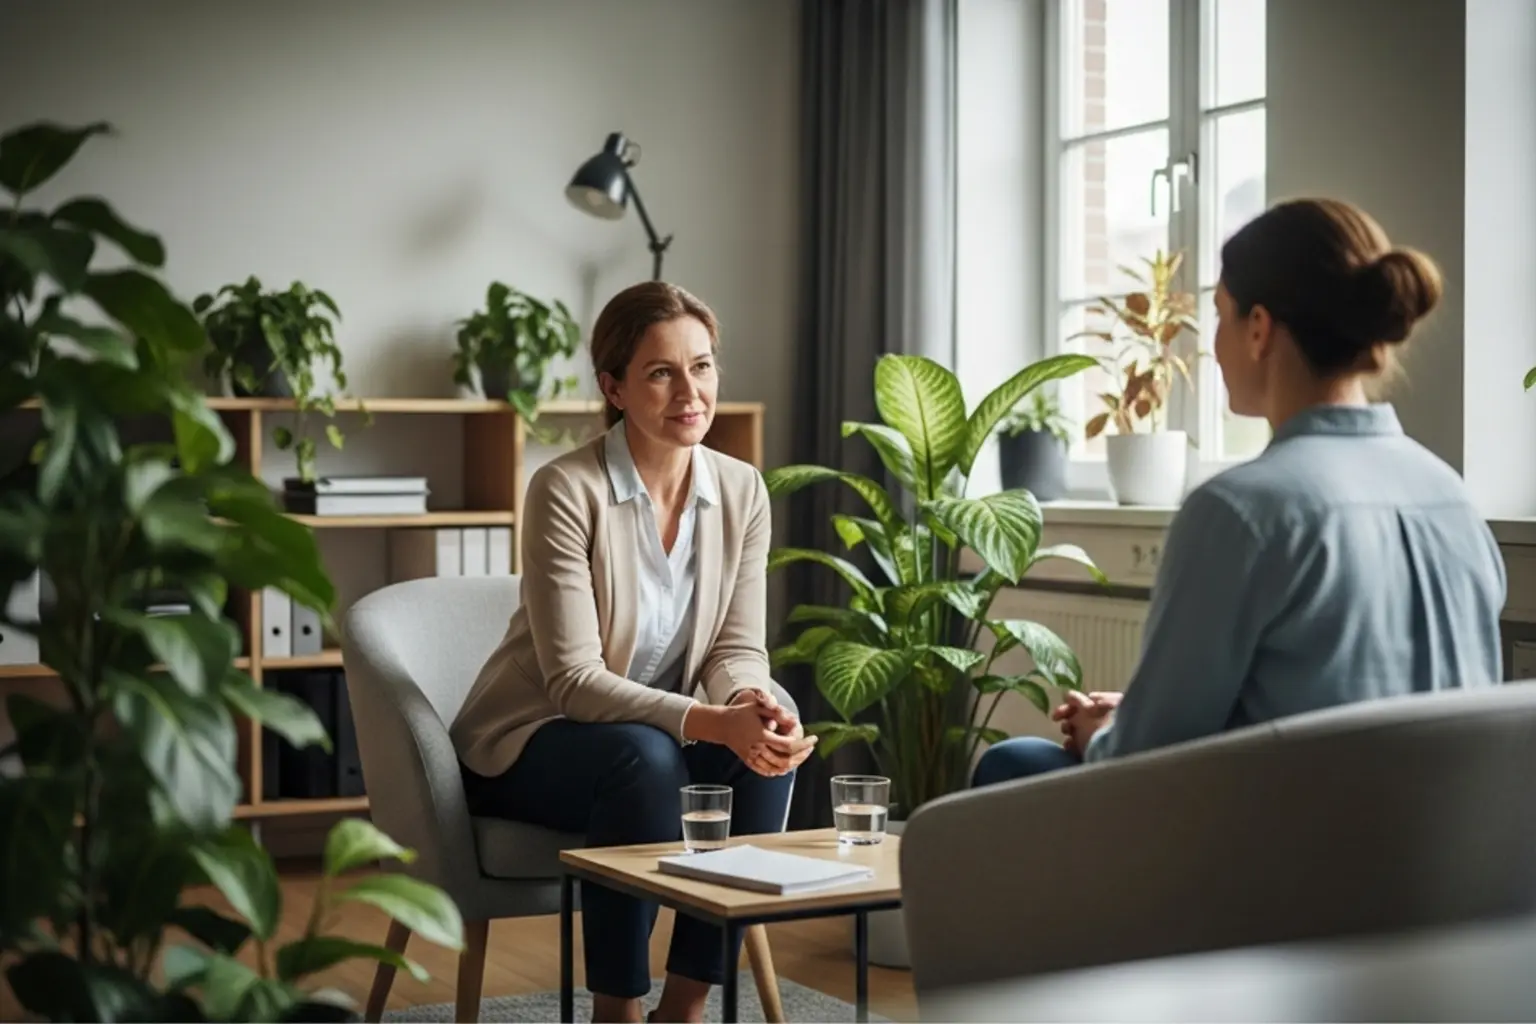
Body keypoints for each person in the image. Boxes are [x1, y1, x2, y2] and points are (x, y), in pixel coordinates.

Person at [973, 197, 1506, 786]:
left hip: (1287, 859)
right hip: (1448, 861)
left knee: (1011, 763)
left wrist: (1103, 734)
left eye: (1221, 316)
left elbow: (1145, 765)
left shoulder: (1239, 511)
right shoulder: (1451, 497)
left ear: (1259, 329)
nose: (1213, 346)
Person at [451, 281, 817, 1024]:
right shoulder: (564, 488)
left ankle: (684, 1005)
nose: (691, 391)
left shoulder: (742, 489)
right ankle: (616, 1011)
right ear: (614, 387)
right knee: (645, 757)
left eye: (703, 367)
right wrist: (711, 723)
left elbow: (735, 645)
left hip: (660, 736)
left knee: (768, 729)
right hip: (532, 745)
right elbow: (574, 682)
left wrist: (749, 699)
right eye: (661, 372)